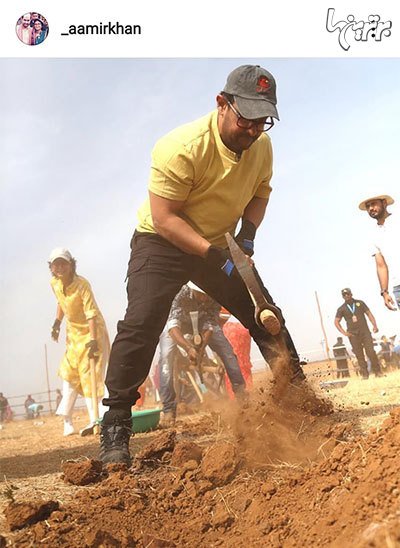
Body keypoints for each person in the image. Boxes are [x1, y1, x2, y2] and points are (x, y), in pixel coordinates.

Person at [99, 64, 307, 466]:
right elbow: (164, 217)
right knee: (142, 322)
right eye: (245, 118)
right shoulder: (181, 147)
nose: (251, 130)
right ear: (221, 104)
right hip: (161, 243)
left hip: (218, 241)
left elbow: (261, 193)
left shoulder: (260, 145)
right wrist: (214, 256)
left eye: (262, 122)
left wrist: (246, 237)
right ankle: (116, 425)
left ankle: (300, 399)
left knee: (265, 314)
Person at [158, 282, 245, 425]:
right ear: (193, 289)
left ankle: (243, 401)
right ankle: (168, 410)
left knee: (228, 352)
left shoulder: (215, 295)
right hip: (176, 326)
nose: (205, 298)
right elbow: (173, 327)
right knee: (166, 358)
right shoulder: (180, 293)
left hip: (202, 324)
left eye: (207, 294)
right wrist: (188, 348)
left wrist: (201, 348)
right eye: (201, 294)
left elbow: (210, 324)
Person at [48, 247, 110, 436]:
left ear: (71, 264)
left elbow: (90, 312)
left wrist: (93, 340)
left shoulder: (82, 284)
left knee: (90, 375)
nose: (60, 267)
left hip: (93, 332)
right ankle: (67, 421)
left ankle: (96, 420)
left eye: (63, 263)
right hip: (73, 334)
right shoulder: (55, 283)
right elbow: (61, 302)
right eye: (56, 264)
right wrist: (57, 323)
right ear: (51, 267)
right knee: (69, 374)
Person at [359, 193, 399, 311]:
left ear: (384, 203)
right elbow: (381, 265)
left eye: (374, 204)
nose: (371, 208)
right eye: (368, 206)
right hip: (398, 287)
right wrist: (384, 292)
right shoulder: (372, 235)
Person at [334, 288, 382, 379]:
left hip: (365, 332)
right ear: (342, 297)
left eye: (348, 294)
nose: (346, 296)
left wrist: (374, 325)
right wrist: (344, 332)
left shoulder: (360, 303)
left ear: (351, 294)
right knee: (359, 355)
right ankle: (364, 374)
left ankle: (378, 372)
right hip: (353, 334)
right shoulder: (341, 309)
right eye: (344, 295)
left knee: (370, 352)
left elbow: (369, 314)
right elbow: (336, 322)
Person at [219, 307, 254, 396]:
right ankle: (248, 393)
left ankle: (239, 400)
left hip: (228, 328)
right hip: (244, 326)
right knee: (244, 362)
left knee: (231, 365)